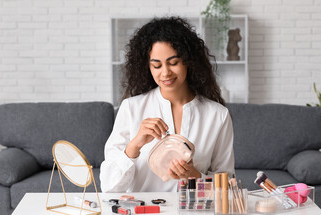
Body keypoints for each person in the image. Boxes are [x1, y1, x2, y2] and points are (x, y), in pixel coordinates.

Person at [100, 16, 235, 193]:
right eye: (156, 66)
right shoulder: (131, 108)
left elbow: (228, 187)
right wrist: (134, 146)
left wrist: (194, 176)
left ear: (188, 61)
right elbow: (109, 188)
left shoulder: (218, 115)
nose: (165, 73)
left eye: (173, 63)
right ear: (147, 67)